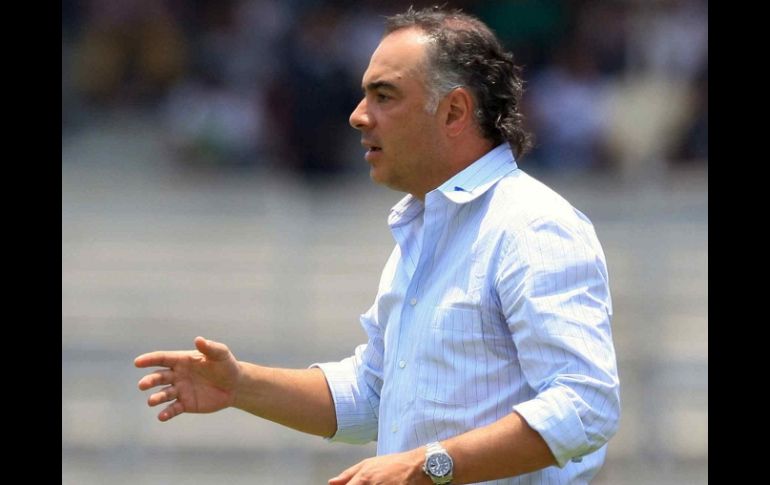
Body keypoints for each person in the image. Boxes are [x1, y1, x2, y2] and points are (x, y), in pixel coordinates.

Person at [135, 6, 620, 484]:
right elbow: (374, 394)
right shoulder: (424, 229)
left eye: (384, 96)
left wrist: (427, 466)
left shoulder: (532, 225)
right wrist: (241, 385)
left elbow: (585, 404)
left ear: (453, 111)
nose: (357, 116)